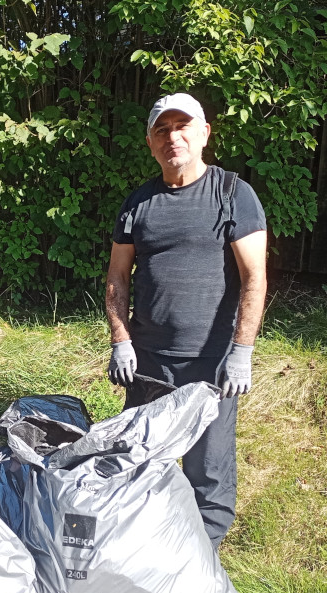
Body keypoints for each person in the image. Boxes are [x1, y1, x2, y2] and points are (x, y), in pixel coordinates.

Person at [104, 93, 267, 547]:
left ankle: (201, 562)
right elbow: (117, 276)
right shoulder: (138, 203)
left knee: (208, 474)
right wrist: (121, 340)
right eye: (162, 129)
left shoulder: (233, 194)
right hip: (148, 363)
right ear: (150, 142)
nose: (172, 137)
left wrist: (242, 352)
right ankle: (139, 551)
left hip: (212, 365)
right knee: (138, 463)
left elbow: (255, 277)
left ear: (204, 133)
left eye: (183, 126)